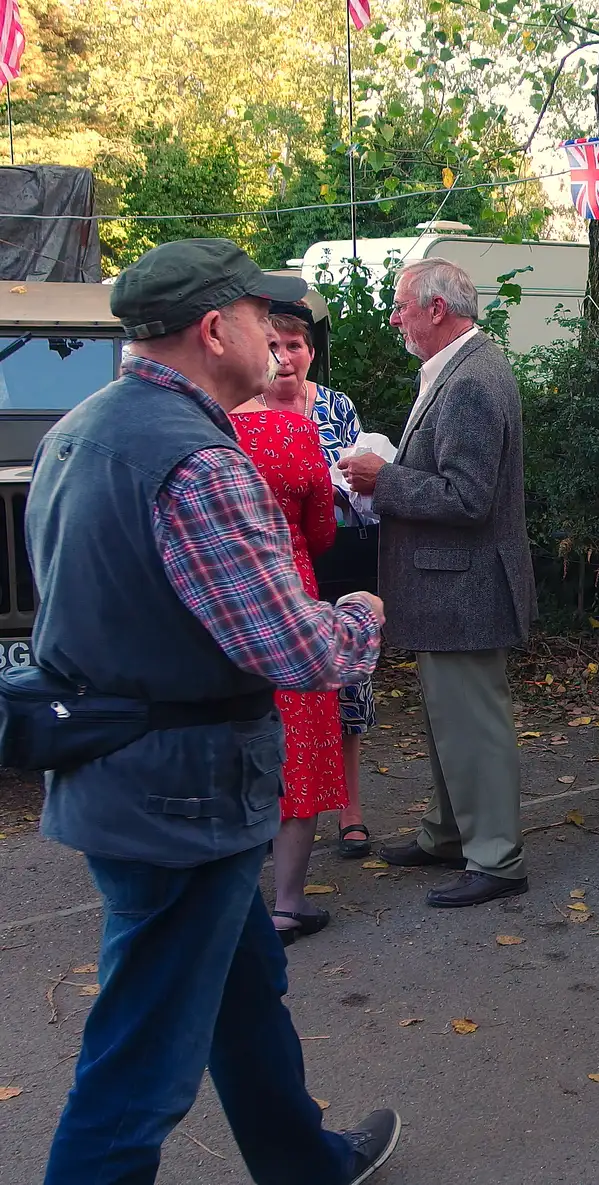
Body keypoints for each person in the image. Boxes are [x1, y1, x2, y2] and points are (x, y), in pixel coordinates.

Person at [28, 238, 401, 1184]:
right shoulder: (198, 461)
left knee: (244, 989)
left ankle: (304, 1161)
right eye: (259, 318)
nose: (278, 337)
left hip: (127, 778)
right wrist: (359, 613)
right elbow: (295, 650)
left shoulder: (76, 429)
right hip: (182, 797)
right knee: (140, 1065)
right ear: (213, 328)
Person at [341, 257, 537, 909]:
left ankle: (496, 857)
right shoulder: (464, 366)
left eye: (401, 306)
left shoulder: (472, 378)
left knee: (473, 725)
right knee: (448, 721)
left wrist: (382, 478)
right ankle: (450, 834)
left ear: (436, 309)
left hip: (466, 587)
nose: (394, 317)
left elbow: (469, 497)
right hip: (452, 587)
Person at [232, 349, 345, 943]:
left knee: (231, 736)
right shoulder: (295, 431)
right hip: (290, 598)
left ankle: (230, 897)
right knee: (297, 743)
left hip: (220, 605)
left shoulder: (203, 431)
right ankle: (287, 902)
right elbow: (323, 529)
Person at [262, 301, 376, 860]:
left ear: (311, 352)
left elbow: (358, 488)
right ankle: (270, 811)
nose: (284, 358)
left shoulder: (336, 408)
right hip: (269, 573)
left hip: (333, 562)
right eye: (273, 347)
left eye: (294, 346)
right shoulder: (237, 410)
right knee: (272, 699)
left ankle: (350, 810)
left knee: (345, 690)